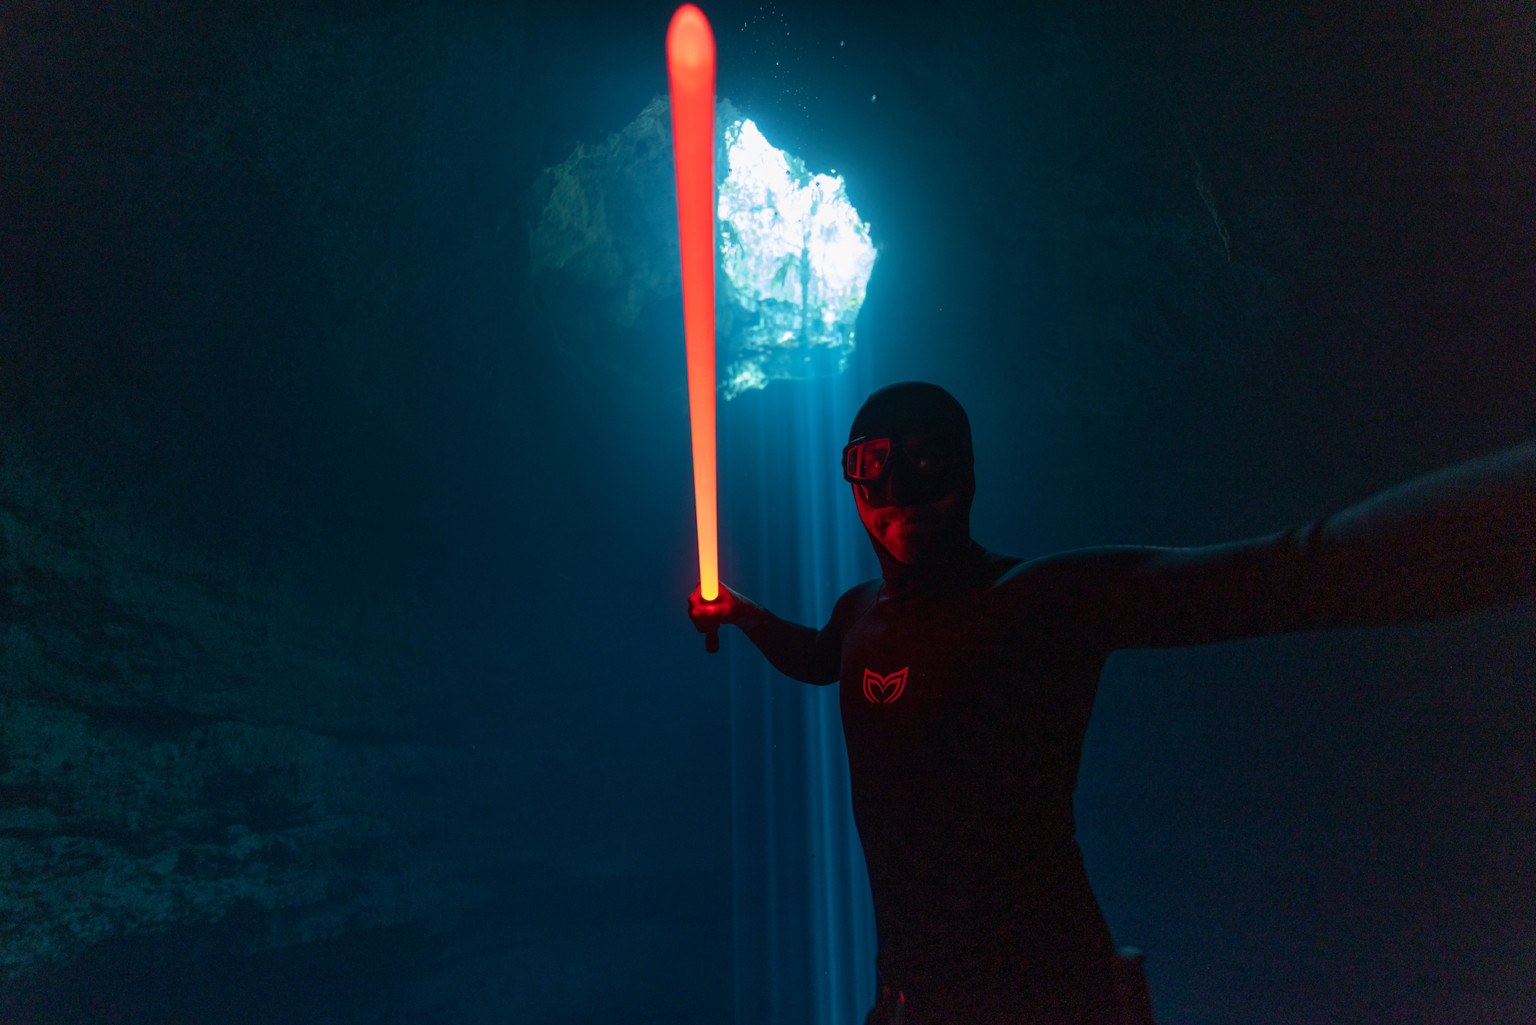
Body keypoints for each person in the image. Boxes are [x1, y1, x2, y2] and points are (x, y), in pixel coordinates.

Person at [687, 382, 1536, 1025]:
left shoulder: (1040, 601)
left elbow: (1300, 570)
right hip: (910, 1001)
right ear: (853, 474)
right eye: (878, 466)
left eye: (928, 462)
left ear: (968, 469)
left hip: (1048, 999)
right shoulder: (859, 615)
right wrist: (745, 614)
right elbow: (820, 660)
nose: (904, 492)